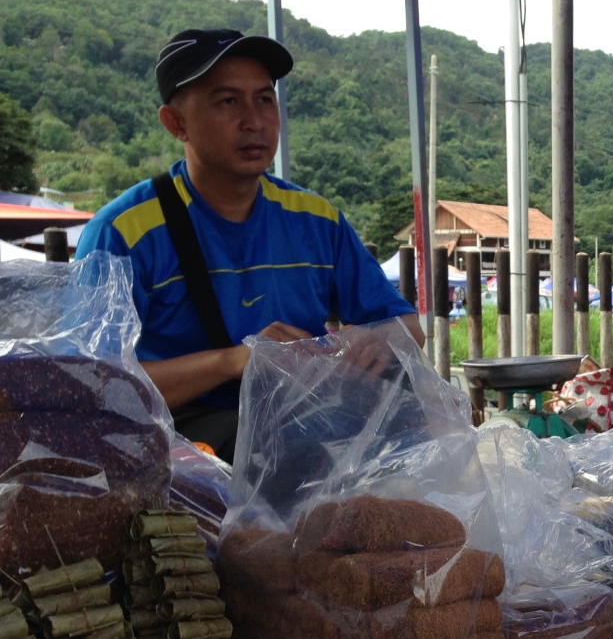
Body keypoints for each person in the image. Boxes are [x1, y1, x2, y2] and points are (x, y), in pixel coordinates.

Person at [76, 29, 424, 462]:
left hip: (302, 421)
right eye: (228, 102)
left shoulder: (315, 220)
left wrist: (368, 341)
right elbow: (88, 385)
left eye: (264, 99)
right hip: (178, 444)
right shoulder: (122, 233)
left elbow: (410, 329)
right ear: (175, 123)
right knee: (282, 452)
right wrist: (240, 361)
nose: (254, 121)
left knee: (416, 413)